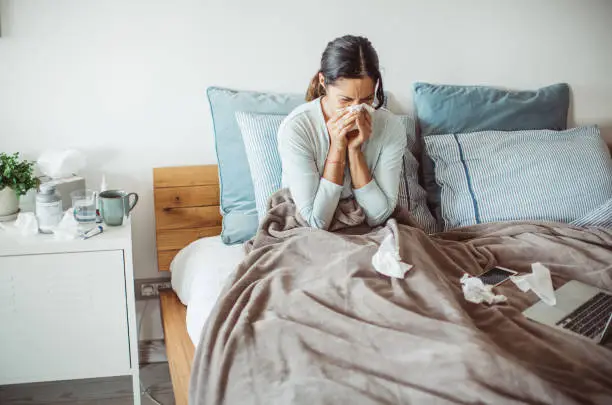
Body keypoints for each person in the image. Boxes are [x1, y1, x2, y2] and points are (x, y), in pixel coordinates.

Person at [277, 35, 406, 230]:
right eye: (345, 100)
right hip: (307, 231)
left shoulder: (390, 127)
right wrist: (337, 147)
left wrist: (355, 152)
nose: (356, 110)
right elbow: (316, 221)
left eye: (366, 99)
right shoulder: (298, 128)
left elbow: (379, 215)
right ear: (323, 81)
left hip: (369, 230)